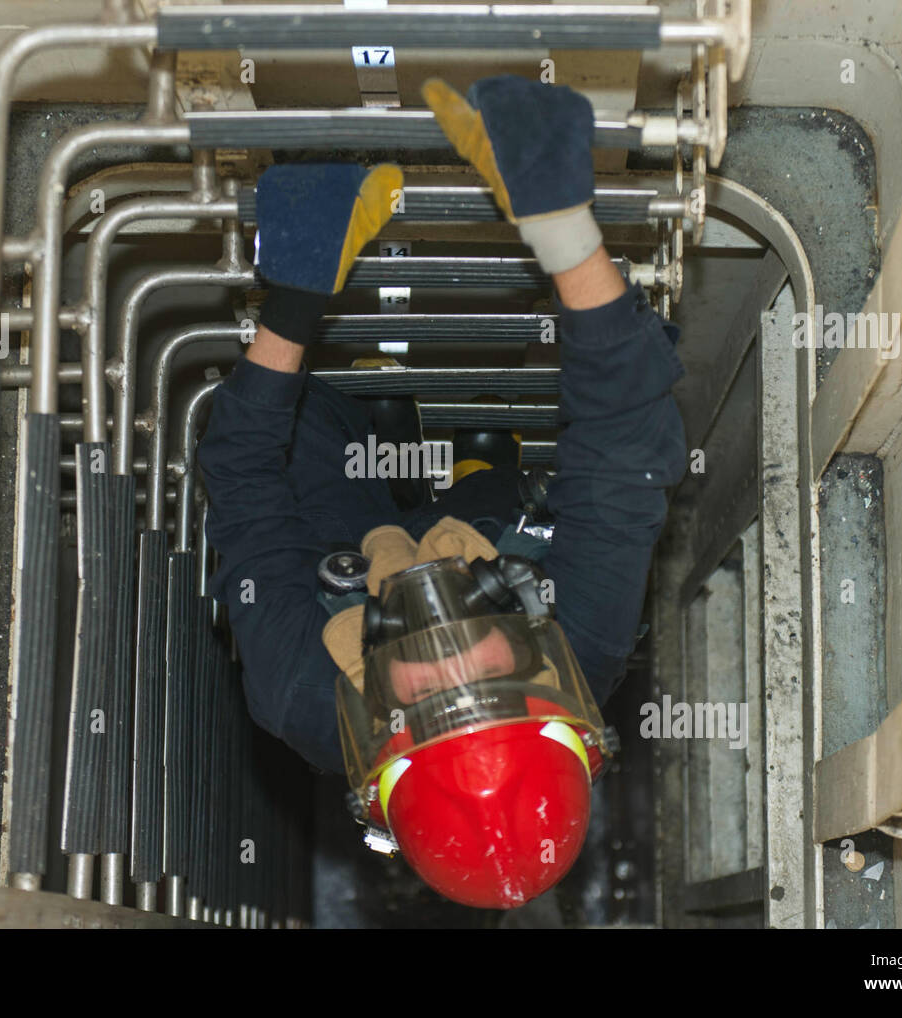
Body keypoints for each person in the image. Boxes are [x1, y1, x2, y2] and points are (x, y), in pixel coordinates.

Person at [197, 75, 687, 906]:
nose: (447, 648)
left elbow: (243, 476)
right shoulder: (586, 643)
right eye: (487, 675)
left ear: (377, 733)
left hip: (337, 548)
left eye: (427, 694)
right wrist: (562, 225)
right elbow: (624, 446)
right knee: (494, 506)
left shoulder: (299, 690)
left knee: (316, 441)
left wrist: (301, 293)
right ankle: (471, 461)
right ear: (548, 685)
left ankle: (367, 414)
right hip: (483, 530)